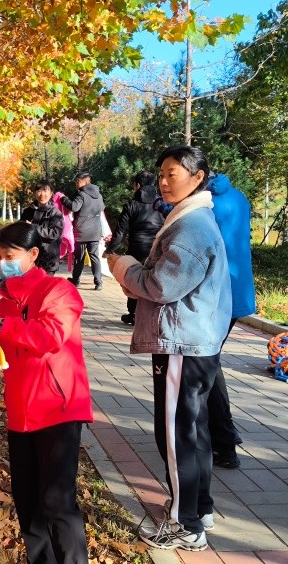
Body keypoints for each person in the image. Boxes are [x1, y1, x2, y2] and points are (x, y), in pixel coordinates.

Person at [107, 145, 231, 552]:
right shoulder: (190, 218)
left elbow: (161, 286)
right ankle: (199, 509)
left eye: (172, 173)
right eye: (161, 173)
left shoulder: (191, 226)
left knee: (177, 437)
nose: (163, 181)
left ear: (197, 177)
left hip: (183, 344)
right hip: (192, 342)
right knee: (193, 432)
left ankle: (185, 524)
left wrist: (124, 268)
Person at [0, 221, 93, 564]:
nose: (2, 264)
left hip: (58, 409)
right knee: (27, 500)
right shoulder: (5, 302)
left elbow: (49, 337)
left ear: (33, 254)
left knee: (57, 501)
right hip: (21, 413)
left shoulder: (59, 291)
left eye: (9, 256)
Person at [207, 171, 256, 469]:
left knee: (207, 366)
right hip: (238, 291)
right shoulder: (238, 196)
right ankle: (224, 435)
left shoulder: (205, 203)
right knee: (210, 364)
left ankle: (225, 443)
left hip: (217, 295)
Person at [106, 170, 165, 325]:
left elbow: (120, 231)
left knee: (134, 279)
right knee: (153, 281)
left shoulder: (131, 204)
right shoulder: (162, 203)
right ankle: (151, 315)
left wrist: (110, 249)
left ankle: (133, 314)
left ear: (137, 185)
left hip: (136, 248)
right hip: (157, 248)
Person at [61, 172, 105, 290]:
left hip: (82, 232)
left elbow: (74, 207)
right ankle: (98, 282)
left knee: (79, 257)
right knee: (94, 257)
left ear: (85, 182)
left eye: (78, 181)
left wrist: (64, 199)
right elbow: (102, 208)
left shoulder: (81, 194)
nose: (76, 183)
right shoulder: (99, 195)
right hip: (95, 231)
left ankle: (76, 280)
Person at [21, 179, 64, 275]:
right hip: (30, 258)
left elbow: (54, 234)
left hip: (48, 259)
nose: (42, 194)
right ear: (35, 193)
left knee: (45, 284)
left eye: (45, 191)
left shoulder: (55, 213)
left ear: (51, 193)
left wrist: (33, 227)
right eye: (39, 190)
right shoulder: (28, 211)